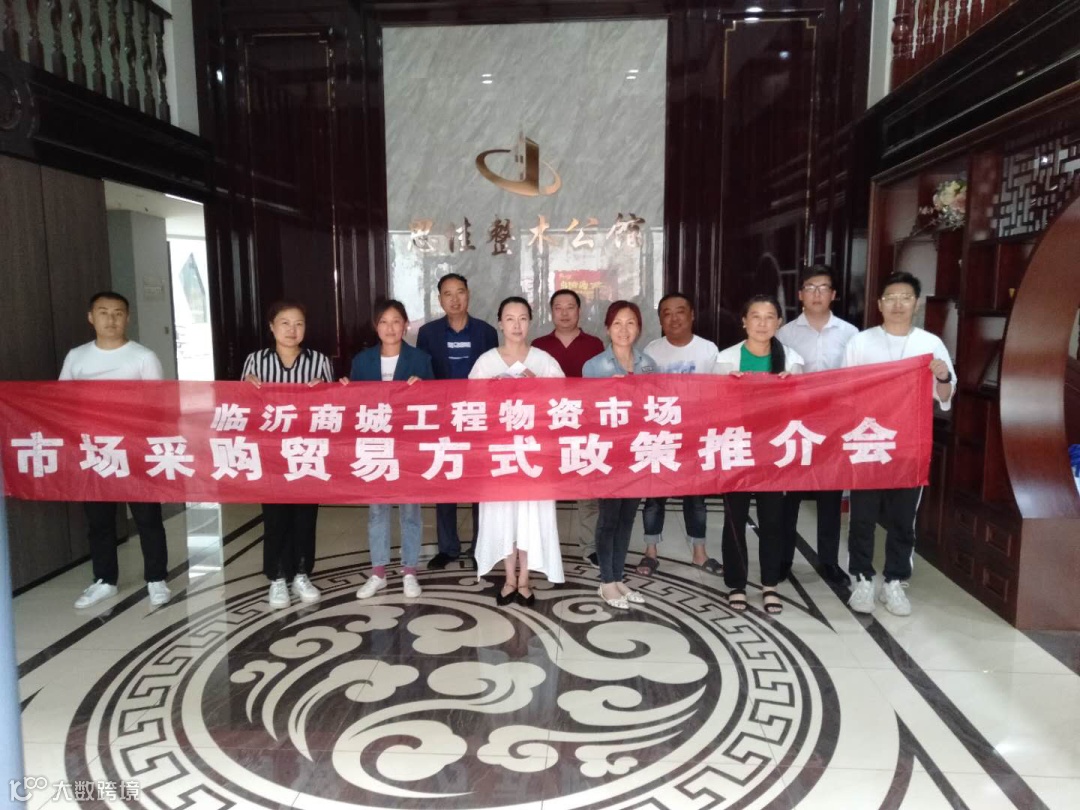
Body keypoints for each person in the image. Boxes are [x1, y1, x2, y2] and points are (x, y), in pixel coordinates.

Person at [843, 271, 955, 617]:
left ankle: (895, 581)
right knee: (862, 517)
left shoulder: (930, 344)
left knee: (903, 518)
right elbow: (844, 390)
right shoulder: (861, 342)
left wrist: (941, 375)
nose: (897, 304)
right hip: (868, 442)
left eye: (905, 298)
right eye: (890, 298)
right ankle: (862, 578)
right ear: (879, 304)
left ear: (916, 304)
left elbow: (946, 395)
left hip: (909, 444)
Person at [61, 292, 172, 610]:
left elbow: (157, 406)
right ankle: (105, 580)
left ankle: (157, 578)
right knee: (99, 520)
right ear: (91, 317)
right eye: (103, 312)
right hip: (94, 450)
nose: (111, 319)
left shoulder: (143, 357)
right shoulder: (77, 356)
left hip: (134, 449)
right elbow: (61, 402)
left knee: (147, 517)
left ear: (128, 318)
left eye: (118, 313)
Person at [469, 296, 565, 605]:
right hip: (498, 455)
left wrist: (539, 385)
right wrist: (491, 390)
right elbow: (469, 406)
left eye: (523, 318)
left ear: (530, 322)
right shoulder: (486, 362)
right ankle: (509, 578)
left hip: (533, 454)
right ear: (500, 323)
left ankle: (525, 579)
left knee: (529, 516)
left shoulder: (544, 361)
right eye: (510, 319)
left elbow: (563, 404)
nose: (516, 325)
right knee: (503, 516)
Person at [716, 295, 805, 614]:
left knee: (772, 521)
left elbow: (802, 409)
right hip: (737, 448)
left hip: (774, 451)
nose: (762, 323)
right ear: (744, 321)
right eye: (755, 316)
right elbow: (712, 408)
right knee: (734, 519)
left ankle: (770, 585)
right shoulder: (726, 359)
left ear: (779, 322)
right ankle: (736, 584)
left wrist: (791, 389)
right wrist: (729, 389)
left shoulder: (792, 360)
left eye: (769, 317)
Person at [242, 301, 334, 609]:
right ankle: (278, 577)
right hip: (270, 454)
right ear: (272, 327)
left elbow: (332, 409)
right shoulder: (255, 361)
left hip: (307, 452)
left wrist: (325, 390)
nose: (292, 330)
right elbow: (242, 408)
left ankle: (302, 573)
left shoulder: (319, 361)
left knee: (305, 517)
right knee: (275, 517)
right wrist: (246, 388)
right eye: (285, 323)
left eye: (298, 324)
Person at [776, 265, 859, 588]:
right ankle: (783, 558)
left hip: (834, 425)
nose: (816, 294)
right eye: (810, 287)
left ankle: (829, 561)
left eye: (823, 288)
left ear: (833, 294)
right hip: (795, 424)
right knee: (789, 497)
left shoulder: (850, 334)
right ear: (800, 294)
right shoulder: (785, 334)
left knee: (830, 497)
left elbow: (858, 379)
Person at [345, 300, 433, 600]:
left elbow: (437, 402)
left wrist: (423, 387)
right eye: (383, 321)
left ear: (406, 325)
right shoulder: (362, 361)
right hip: (375, 445)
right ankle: (378, 572)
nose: (390, 328)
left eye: (396, 321)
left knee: (410, 511)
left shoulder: (420, 359)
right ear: (376, 326)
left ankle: (409, 571)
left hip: (408, 446)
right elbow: (353, 404)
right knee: (377, 510)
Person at [416, 273, 499, 569]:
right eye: (448, 294)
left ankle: (480, 547)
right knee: (445, 482)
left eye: (460, 292)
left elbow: (494, 374)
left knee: (478, 485)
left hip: (478, 418)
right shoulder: (428, 334)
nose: (454, 299)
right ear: (440, 299)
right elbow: (424, 374)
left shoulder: (486, 332)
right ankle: (448, 548)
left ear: (468, 295)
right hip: (443, 419)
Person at [638, 292, 721, 576]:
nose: (674, 318)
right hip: (661, 436)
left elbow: (719, 392)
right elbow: (644, 393)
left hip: (696, 436)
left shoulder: (708, 350)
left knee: (696, 498)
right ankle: (650, 552)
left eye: (680, 311)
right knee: (654, 497)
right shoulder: (652, 349)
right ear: (660, 319)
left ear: (692, 315)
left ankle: (700, 553)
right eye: (666, 313)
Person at [583, 301, 657, 609]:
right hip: (608, 453)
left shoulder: (648, 364)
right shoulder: (594, 366)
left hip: (638, 450)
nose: (624, 330)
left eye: (630, 323)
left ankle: (618, 577)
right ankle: (606, 581)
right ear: (607, 328)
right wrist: (607, 393)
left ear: (639, 328)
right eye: (617, 323)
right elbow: (586, 412)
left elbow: (656, 407)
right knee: (609, 517)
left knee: (628, 517)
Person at [532, 288, 605, 567]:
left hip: (584, 428)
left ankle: (591, 547)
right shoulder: (538, 345)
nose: (564, 313)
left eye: (570, 307)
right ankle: (540, 546)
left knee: (588, 493)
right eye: (558, 308)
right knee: (543, 492)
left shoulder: (594, 344)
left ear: (579, 311)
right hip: (547, 430)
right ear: (551, 312)